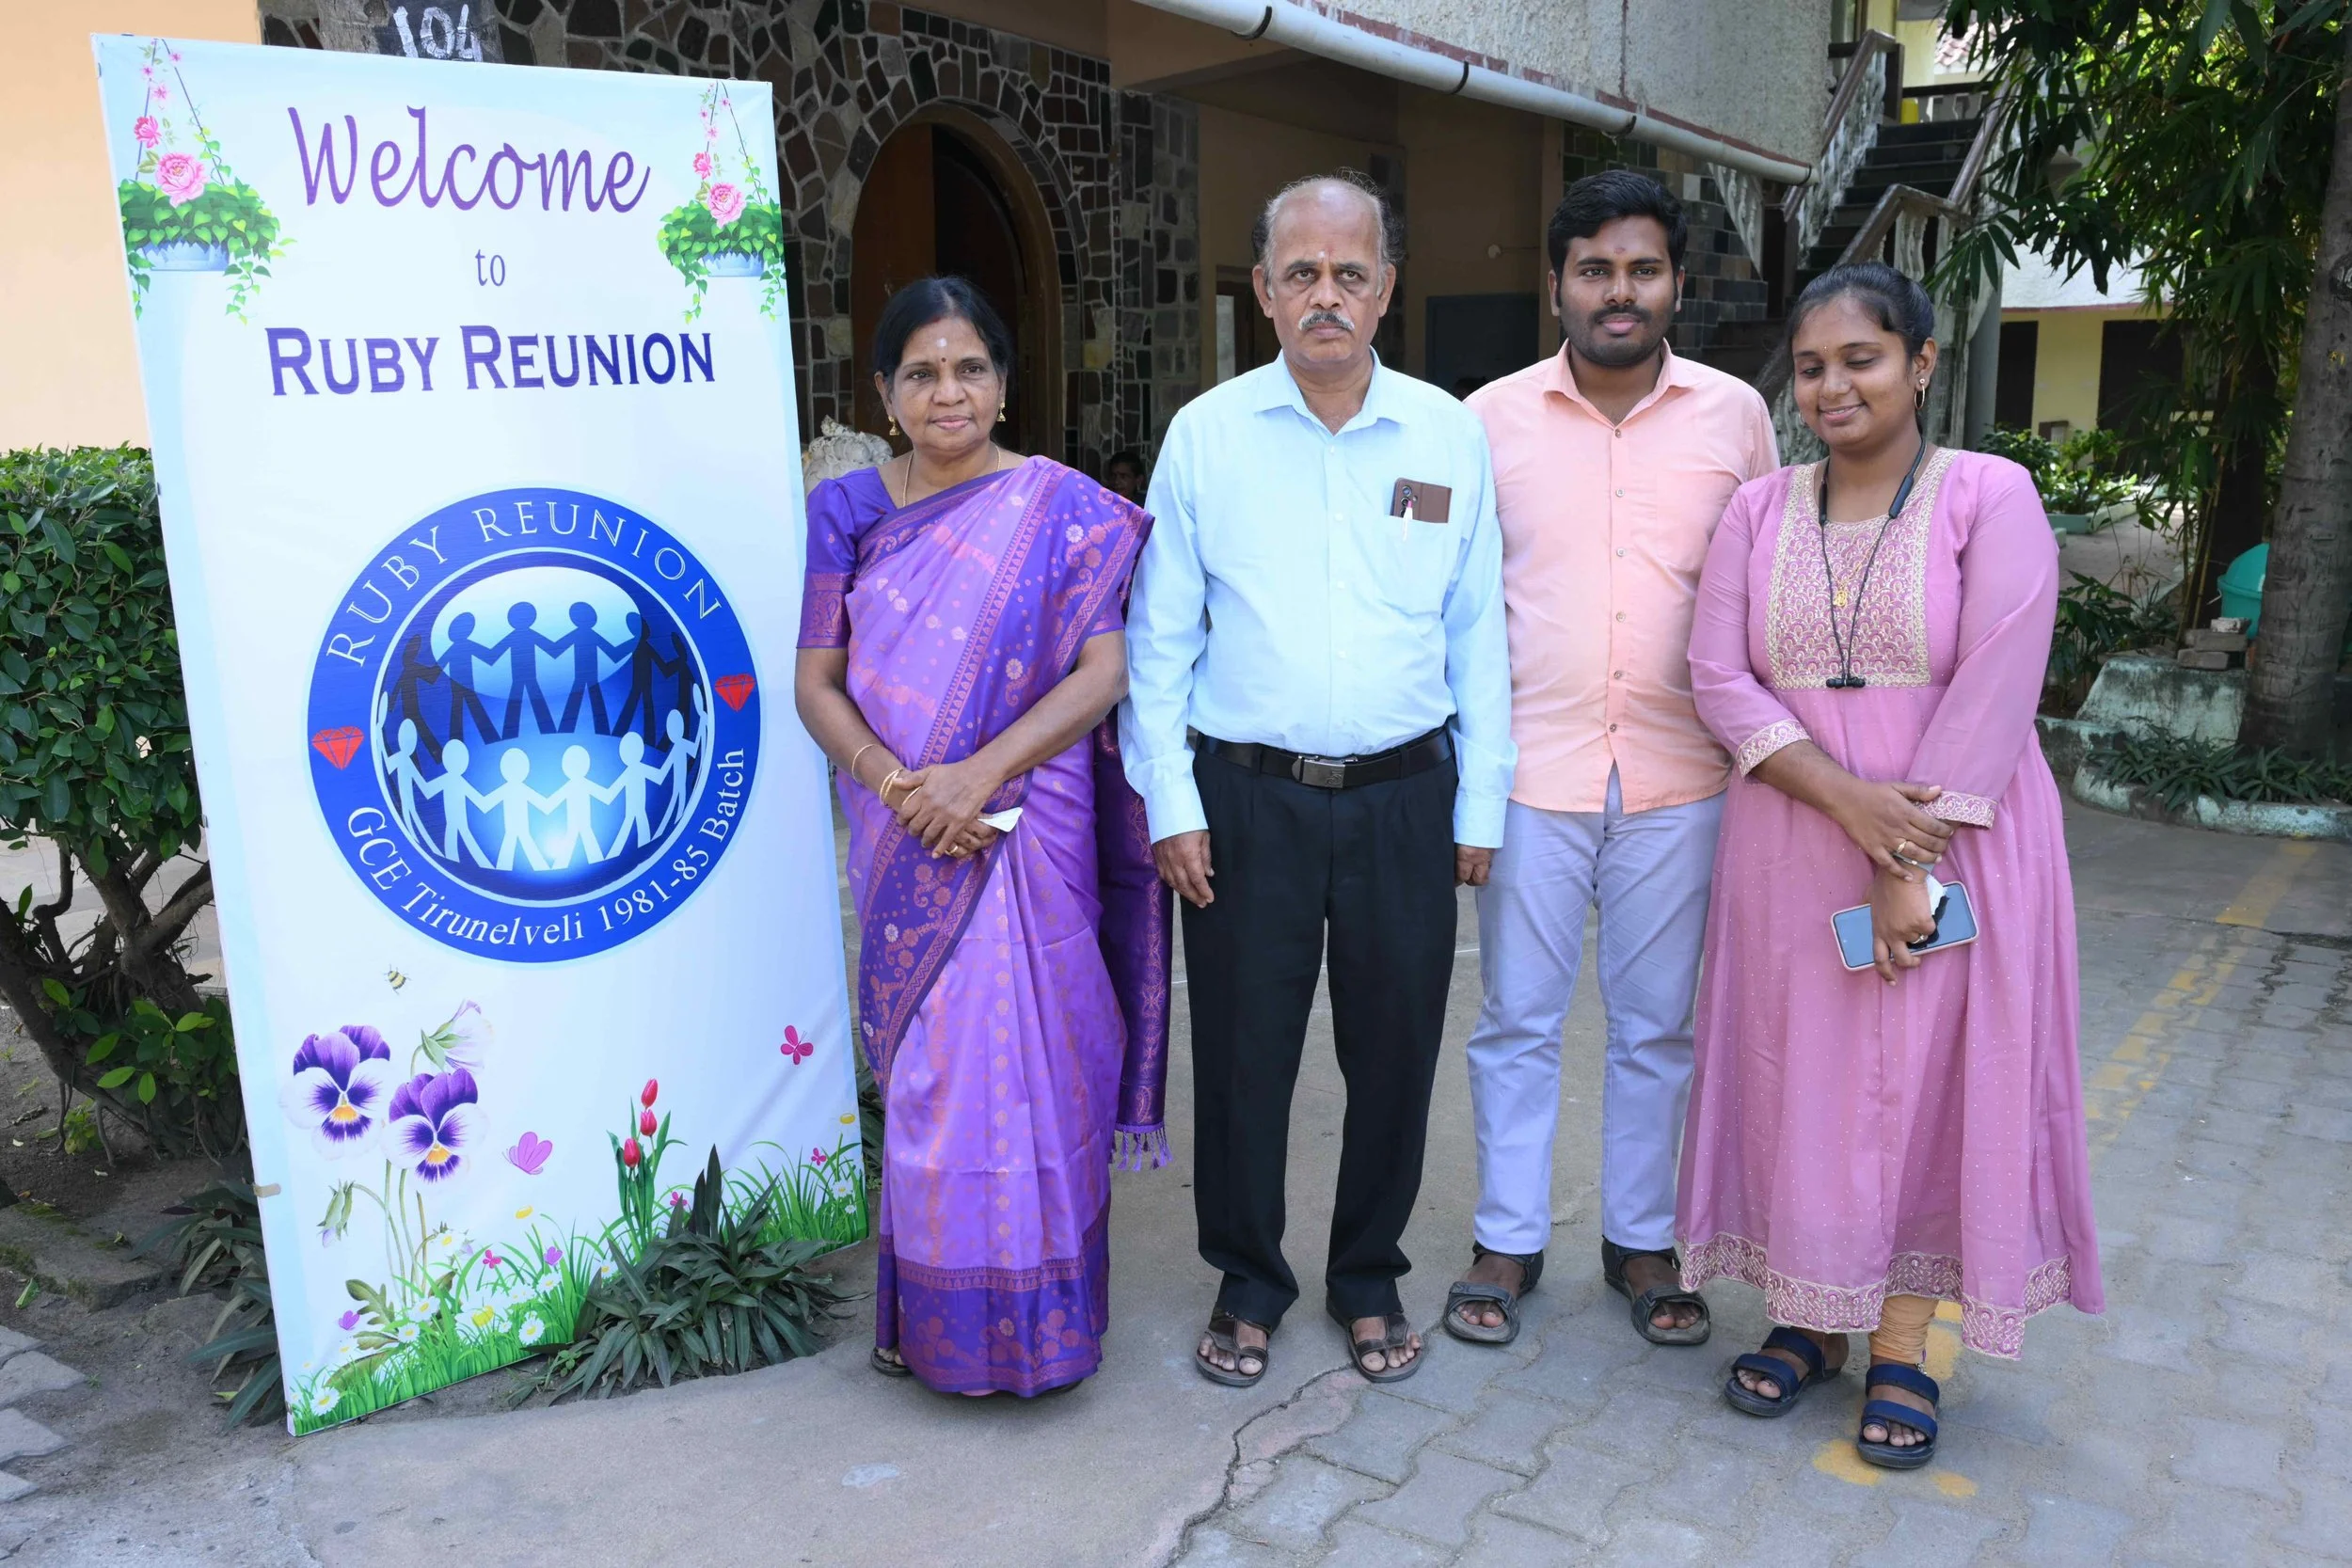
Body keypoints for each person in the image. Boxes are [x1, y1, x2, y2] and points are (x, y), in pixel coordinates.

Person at [1677, 261, 2103, 1470]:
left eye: (1859, 358)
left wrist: (1904, 849)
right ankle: (1810, 1312)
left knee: (1927, 1083)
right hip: (1793, 833)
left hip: (1957, 835)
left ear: (1919, 363)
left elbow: (2000, 674)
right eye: (1810, 366)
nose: (1830, 385)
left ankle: (1905, 1340)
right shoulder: (1759, 510)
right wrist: (1847, 806)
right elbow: (1720, 677)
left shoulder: (1986, 493)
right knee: (1799, 1073)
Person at [1121, 173, 1515, 1388]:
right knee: (1243, 1051)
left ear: (1388, 287)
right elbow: (1160, 641)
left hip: (1407, 796)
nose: (1327, 295)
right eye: (1303, 273)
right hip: (1247, 801)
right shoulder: (1208, 436)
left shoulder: (1447, 434)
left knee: (1395, 1044)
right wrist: (1172, 804)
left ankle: (1367, 1273)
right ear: (1265, 290)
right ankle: (1248, 1275)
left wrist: (1482, 800)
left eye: (1352, 273)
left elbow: (1478, 632)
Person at [794, 276, 1172, 1399]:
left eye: (969, 367)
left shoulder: (1062, 507)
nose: (946, 391)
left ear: (1002, 386)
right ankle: (942, 1326)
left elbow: (1104, 669)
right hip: (905, 829)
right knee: (935, 1078)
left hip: (1025, 825)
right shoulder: (848, 512)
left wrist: (975, 775)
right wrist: (897, 781)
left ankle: (1047, 1326)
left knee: (1041, 1066)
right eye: (920, 371)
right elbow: (814, 679)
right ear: (884, 393)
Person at [1447, 170, 1779, 1352]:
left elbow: (1766, 587)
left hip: (1684, 775)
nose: (1618, 292)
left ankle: (1642, 1241)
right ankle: (1506, 1237)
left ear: (1675, 284)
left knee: (1655, 1027)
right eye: (1594, 269)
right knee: (1516, 1019)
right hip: (1530, 773)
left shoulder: (1737, 416)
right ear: (1556, 286)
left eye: (1641, 269)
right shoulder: (1483, 419)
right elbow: (1458, 604)